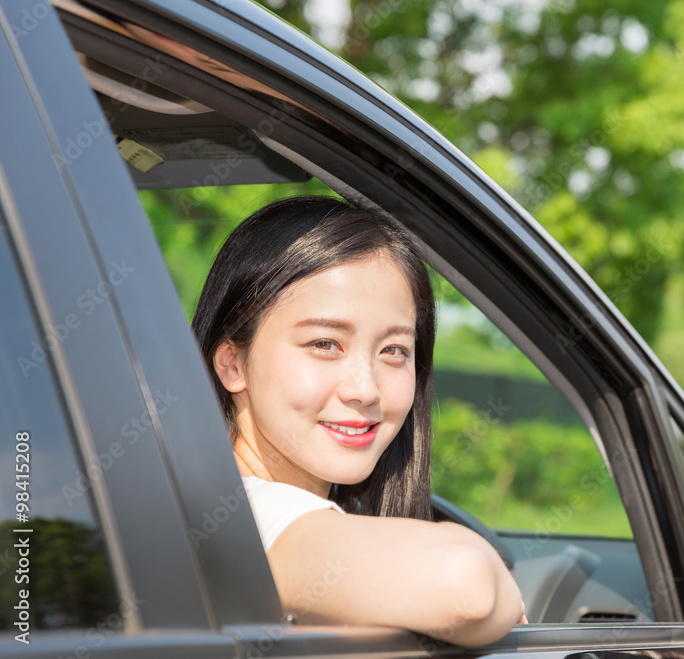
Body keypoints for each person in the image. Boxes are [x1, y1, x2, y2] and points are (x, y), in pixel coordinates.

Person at [192, 195, 525, 646]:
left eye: (394, 350)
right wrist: (510, 600)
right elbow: (463, 587)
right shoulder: (244, 512)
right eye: (325, 344)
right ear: (232, 363)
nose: (365, 389)